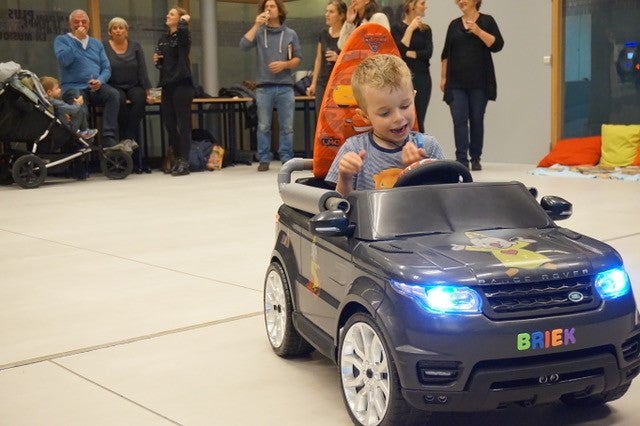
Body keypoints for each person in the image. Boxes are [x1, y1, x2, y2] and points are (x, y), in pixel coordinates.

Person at [325, 54, 445, 196]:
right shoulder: (354, 149)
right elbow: (339, 206)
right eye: (385, 113)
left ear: (413, 97)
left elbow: (445, 200)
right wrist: (345, 178)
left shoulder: (429, 147)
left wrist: (419, 171)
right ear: (365, 116)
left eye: (405, 106)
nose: (398, 118)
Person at [440, 0, 503, 171]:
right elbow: (445, 53)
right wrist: (443, 77)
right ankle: (461, 160)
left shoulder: (487, 21)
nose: (461, 2)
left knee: (476, 120)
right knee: (459, 120)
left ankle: (475, 158)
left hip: (479, 83)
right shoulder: (453, 25)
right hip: (456, 83)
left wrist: (478, 31)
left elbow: (497, 45)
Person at [240, 0, 302, 172]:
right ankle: (264, 159)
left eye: (272, 6)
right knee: (263, 125)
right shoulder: (259, 33)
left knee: (287, 126)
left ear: (280, 10)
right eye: (266, 7)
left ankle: (287, 159)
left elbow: (297, 59)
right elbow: (243, 45)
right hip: (264, 86)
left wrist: (284, 65)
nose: (269, 9)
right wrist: (256, 24)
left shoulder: (290, 33)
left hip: (285, 86)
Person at [53, 9, 120, 148]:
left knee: (114, 95)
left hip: (94, 86)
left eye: (84, 22)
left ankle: (108, 137)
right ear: (70, 24)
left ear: (88, 24)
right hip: (73, 87)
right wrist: (76, 40)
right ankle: (80, 148)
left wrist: (100, 81)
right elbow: (64, 60)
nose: (80, 25)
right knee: (79, 108)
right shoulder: (62, 40)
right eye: (76, 22)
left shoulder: (96, 43)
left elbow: (106, 68)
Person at [103, 17, 154, 167]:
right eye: (115, 28)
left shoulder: (135, 46)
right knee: (119, 100)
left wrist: (148, 91)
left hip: (134, 84)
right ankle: (125, 144)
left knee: (140, 99)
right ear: (110, 32)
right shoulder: (104, 46)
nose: (118, 30)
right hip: (114, 85)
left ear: (126, 31)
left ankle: (127, 138)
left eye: (121, 28)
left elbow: (142, 71)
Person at [153, 7, 194, 177]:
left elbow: (183, 34)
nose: (167, 16)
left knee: (183, 124)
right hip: (167, 84)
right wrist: (157, 62)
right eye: (167, 13)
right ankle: (177, 157)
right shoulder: (163, 39)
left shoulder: (183, 36)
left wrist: (184, 20)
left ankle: (184, 160)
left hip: (182, 83)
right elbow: (163, 61)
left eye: (171, 14)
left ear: (179, 19)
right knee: (169, 123)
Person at [392, 0, 432, 133]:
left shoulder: (426, 30)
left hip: (422, 78)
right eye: (422, 3)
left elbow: (428, 53)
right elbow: (399, 52)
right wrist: (410, 28)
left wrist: (408, 53)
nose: (425, 6)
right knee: (404, 119)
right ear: (411, 5)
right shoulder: (396, 28)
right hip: (402, 78)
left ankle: (419, 150)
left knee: (419, 119)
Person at [307, 0, 347, 111]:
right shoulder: (323, 33)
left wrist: (337, 58)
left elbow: (352, 61)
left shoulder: (347, 35)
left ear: (341, 15)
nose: (327, 14)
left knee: (338, 117)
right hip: (322, 83)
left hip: (340, 84)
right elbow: (318, 59)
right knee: (321, 115)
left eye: (331, 12)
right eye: (326, 11)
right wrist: (313, 84)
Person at [40, 76, 98, 140]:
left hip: (61, 126)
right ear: (49, 92)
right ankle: (84, 131)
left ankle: (83, 131)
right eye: (57, 88)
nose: (60, 89)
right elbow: (73, 110)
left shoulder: (47, 102)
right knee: (80, 110)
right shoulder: (55, 103)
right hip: (68, 129)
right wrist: (78, 103)